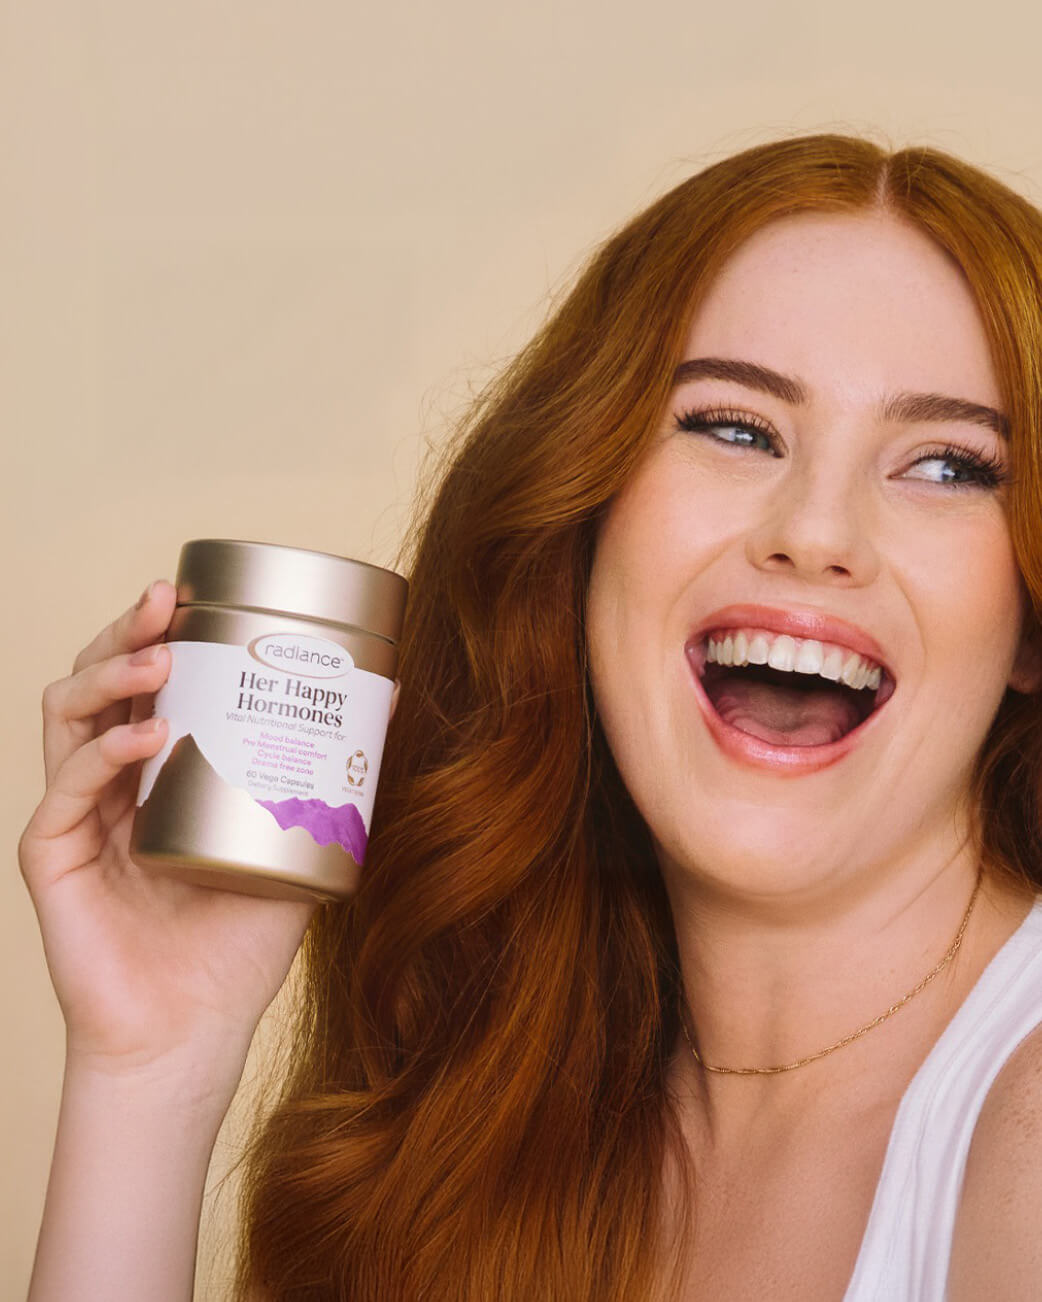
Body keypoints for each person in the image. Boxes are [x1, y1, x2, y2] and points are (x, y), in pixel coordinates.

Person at [20, 130, 1042, 1301]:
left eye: (949, 465)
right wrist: (151, 1065)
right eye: (733, 427)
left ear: (1027, 622)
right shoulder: (489, 1110)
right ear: (582, 528)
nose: (814, 533)